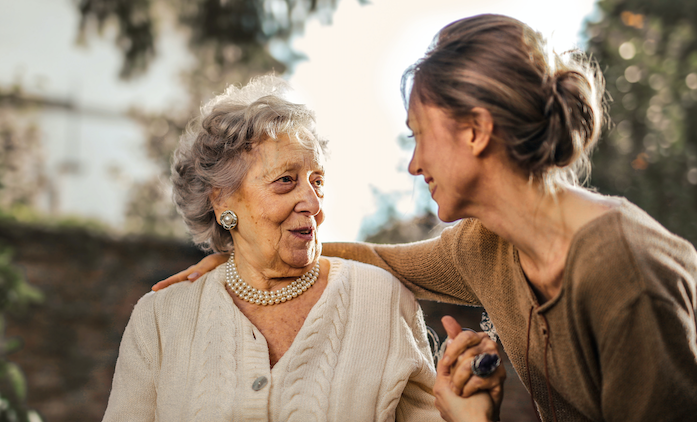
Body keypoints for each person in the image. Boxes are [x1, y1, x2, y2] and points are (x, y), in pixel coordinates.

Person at [153, 14, 697, 422]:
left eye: (419, 135)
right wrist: (243, 258)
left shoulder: (625, 275)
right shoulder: (486, 246)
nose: (414, 164)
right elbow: (377, 259)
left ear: (476, 131)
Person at [103, 75, 483, 421]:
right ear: (222, 203)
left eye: (317, 181)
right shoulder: (160, 318)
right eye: (286, 180)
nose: (313, 203)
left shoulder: (381, 299)